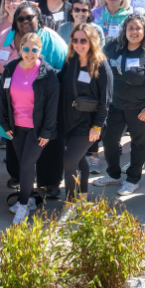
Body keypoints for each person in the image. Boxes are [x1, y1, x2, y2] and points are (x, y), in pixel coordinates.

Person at [94, 14, 145, 195]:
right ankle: (114, 174)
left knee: (138, 143)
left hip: (138, 108)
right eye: (130, 28)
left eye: (138, 28)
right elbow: (98, 68)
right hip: (113, 105)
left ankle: (133, 179)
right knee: (109, 140)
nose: (134, 32)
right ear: (124, 29)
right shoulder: (112, 47)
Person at [0, 30, 58, 223]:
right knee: (24, 164)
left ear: (40, 50)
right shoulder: (10, 68)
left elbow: (52, 105)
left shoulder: (47, 74)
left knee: (26, 164)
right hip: (16, 127)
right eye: (26, 48)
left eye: (34, 49)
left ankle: (23, 205)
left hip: (37, 130)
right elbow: (3, 97)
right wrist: (4, 122)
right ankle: (29, 198)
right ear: (20, 48)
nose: (30, 53)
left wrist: (47, 131)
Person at [59, 24, 113, 201]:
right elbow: (60, 82)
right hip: (68, 121)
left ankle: (70, 201)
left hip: (88, 124)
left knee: (68, 160)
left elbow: (106, 101)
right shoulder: (71, 60)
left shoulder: (101, 65)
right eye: (75, 40)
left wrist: (97, 126)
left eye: (83, 40)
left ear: (92, 41)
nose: (78, 44)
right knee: (80, 161)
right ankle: (82, 197)